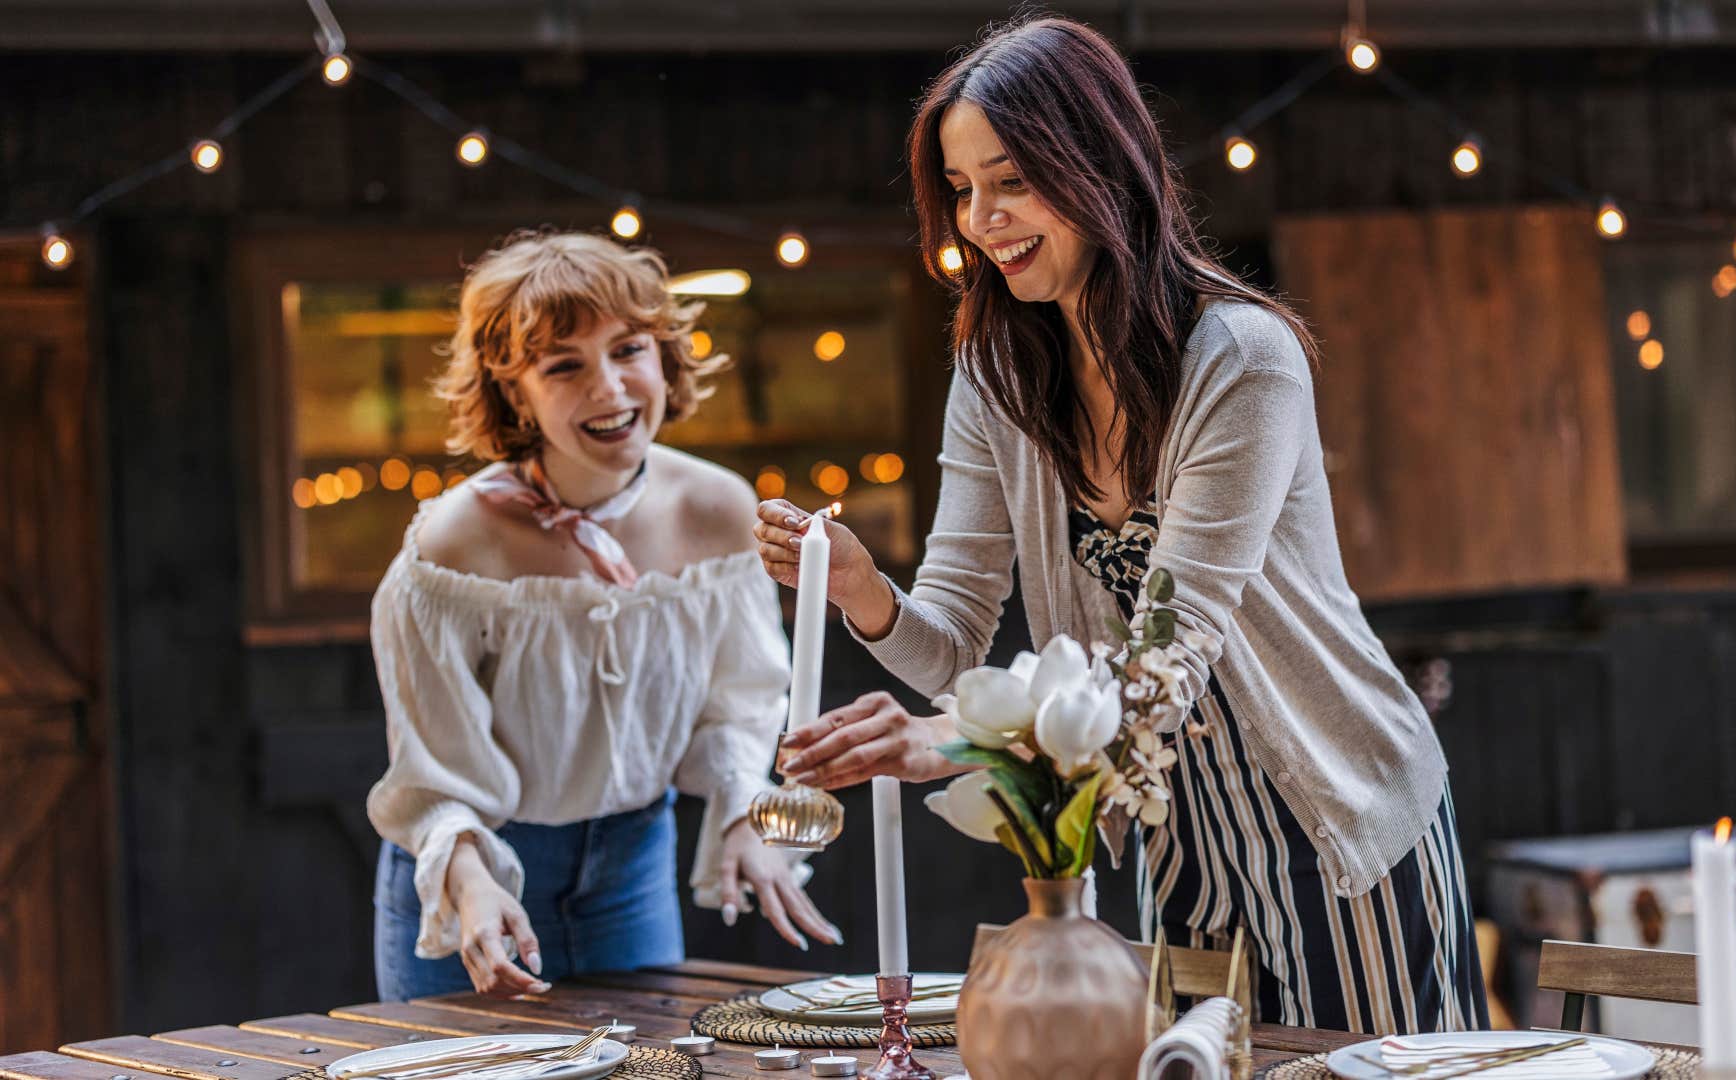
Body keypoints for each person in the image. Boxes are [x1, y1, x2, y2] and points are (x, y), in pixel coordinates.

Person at [754, 18, 1487, 1033]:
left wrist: (945, 744)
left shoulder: (1241, 359)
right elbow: (955, 644)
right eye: (961, 190)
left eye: (1011, 181)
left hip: (1342, 820)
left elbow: (1165, 657)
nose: (981, 220)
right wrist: (862, 592)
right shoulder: (996, 376)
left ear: (1099, 165)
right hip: (1172, 832)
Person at [369, 230, 837, 1001]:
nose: (610, 388)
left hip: (633, 870)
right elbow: (430, 771)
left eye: (628, 350)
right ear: (513, 389)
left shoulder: (719, 510)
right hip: (477, 877)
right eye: (564, 366)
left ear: (664, 356)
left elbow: (739, 703)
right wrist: (471, 881)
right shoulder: (450, 547)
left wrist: (740, 813)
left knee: (648, 1058)